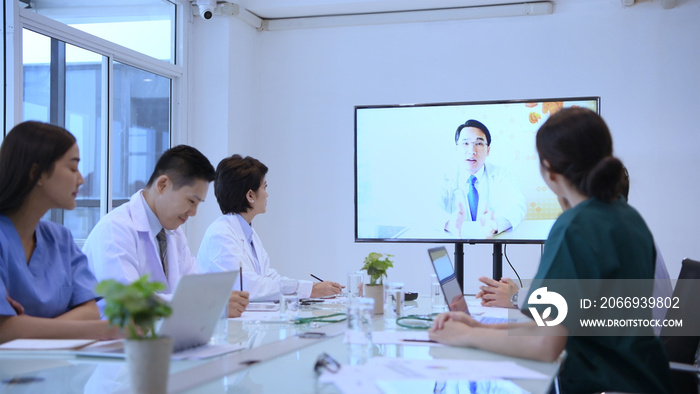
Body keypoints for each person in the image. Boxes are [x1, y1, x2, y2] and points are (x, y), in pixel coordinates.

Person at [429, 108, 672, 393]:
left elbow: (545, 344)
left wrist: (463, 338)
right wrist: (475, 328)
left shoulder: (576, 226)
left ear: (549, 169)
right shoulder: (628, 217)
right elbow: (553, 323)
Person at [475, 165, 673, 334]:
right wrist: (519, 296)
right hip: (647, 353)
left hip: (625, 364)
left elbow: (558, 325)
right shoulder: (631, 227)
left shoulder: (594, 236)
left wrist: (515, 298)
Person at [83, 146, 249, 317]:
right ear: (163, 185)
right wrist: (209, 303)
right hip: (119, 340)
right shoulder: (115, 230)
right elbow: (129, 302)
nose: (193, 212)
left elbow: (194, 290)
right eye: (191, 201)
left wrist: (214, 300)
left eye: (198, 204)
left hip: (160, 337)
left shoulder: (173, 233)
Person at [0, 121, 120, 343]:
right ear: (37, 173)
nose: (81, 179)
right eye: (73, 168)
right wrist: (104, 330)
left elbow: (90, 311)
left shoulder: (60, 238)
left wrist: (23, 328)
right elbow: (3, 330)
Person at [197, 154, 343, 302]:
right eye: (264, 187)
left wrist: (312, 287)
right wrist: (309, 290)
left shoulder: (248, 232)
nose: (267, 194)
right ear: (250, 195)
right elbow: (247, 286)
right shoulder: (221, 234)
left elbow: (267, 277)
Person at [438, 119, 526, 238]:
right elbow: (429, 207)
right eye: (465, 143)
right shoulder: (444, 177)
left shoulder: (502, 174)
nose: (472, 151)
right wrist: (449, 223)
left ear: (488, 150)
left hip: (493, 240)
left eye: (478, 143)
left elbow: (517, 205)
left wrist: (496, 224)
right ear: (457, 148)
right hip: (453, 240)